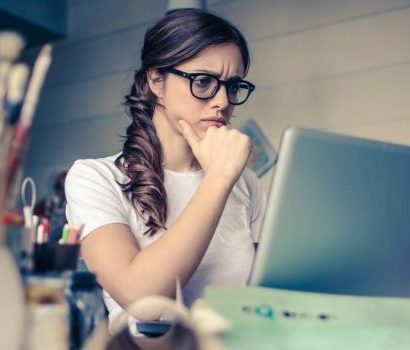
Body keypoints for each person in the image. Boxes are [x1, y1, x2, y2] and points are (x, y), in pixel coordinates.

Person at [64, 8, 265, 326]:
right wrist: (220, 177)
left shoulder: (247, 183)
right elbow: (143, 302)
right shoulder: (95, 178)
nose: (223, 101)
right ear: (156, 80)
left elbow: (262, 298)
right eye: (203, 81)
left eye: (233, 86)